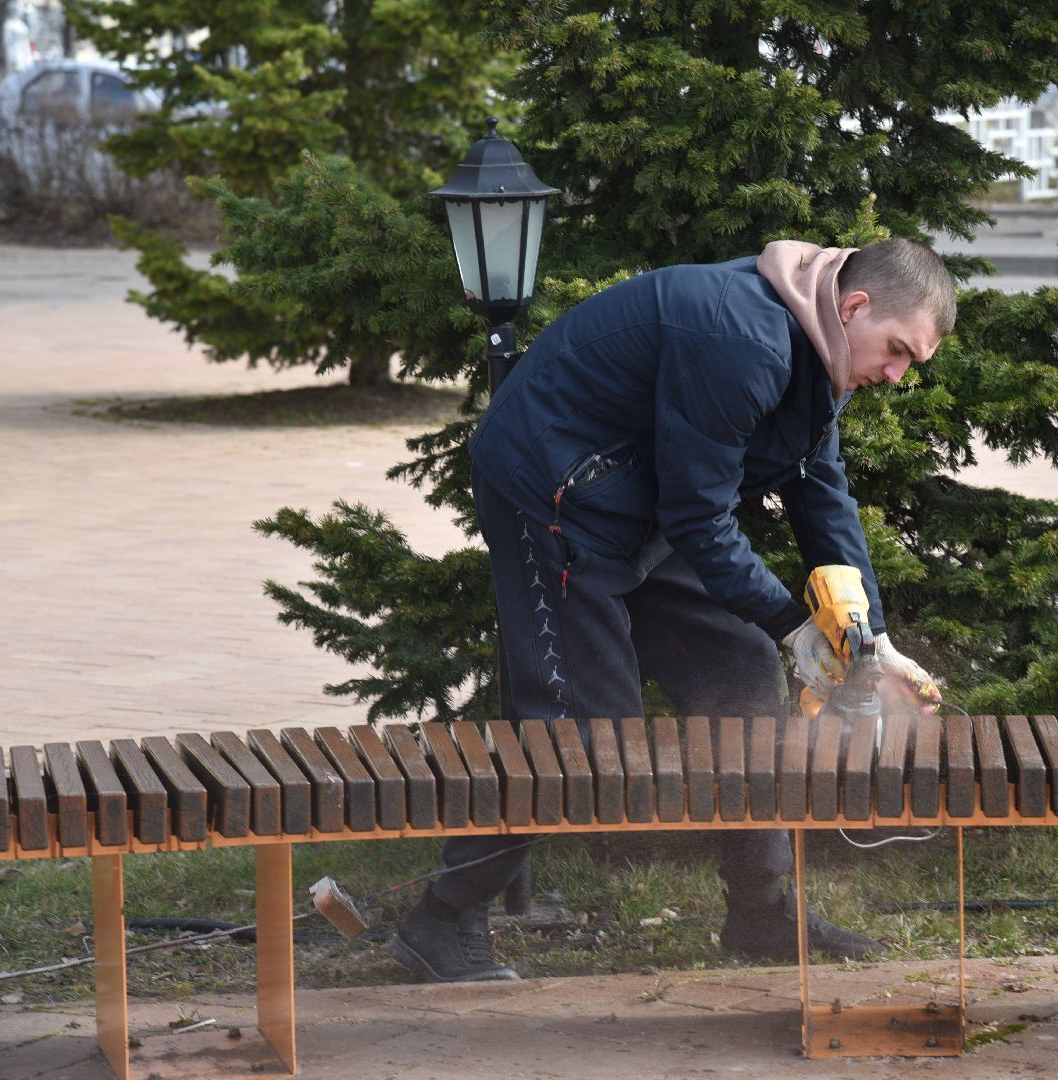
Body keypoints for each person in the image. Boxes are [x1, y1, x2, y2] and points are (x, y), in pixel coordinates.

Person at [390, 237, 956, 983]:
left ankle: (761, 910)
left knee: (743, 671)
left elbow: (821, 491)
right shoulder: (743, 340)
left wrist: (870, 642)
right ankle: (442, 918)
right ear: (854, 307)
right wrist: (793, 625)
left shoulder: (823, 345)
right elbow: (701, 522)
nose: (895, 374)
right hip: (554, 496)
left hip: (635, 501)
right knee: (582, 735)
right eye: (898, 352)